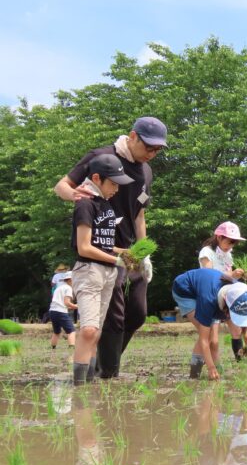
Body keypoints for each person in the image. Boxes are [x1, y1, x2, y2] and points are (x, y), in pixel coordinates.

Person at [54, 116, 168, 379]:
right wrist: (75, 196)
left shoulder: (146, 171)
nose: (152, 153)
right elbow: (62, 185)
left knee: (138, 313)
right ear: (133, 136)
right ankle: (106, 373)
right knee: (113, 316)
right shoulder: (102, 158)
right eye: (149, 147)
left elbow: (139, 214)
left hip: (129, 252)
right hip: (101, 250)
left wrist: (144, 253)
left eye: (157, 150)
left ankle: (103, 364)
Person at [70, 154, 133, 384]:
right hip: (89, 270)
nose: (116, 188)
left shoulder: (104, 203)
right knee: (88, 330)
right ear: (97, 178)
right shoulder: (85, 203)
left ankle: (89, 382)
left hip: (107, 272)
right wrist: (115, 260)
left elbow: (103, 243)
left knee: (96, 332)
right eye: (113, 183)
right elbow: (85, 247)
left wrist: (122, 252)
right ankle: (78, 386)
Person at [172, 268, 247, 380]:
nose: (230, 318)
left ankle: (218, 371)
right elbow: (204, 339)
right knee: (209, 334)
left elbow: (243, 312)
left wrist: (246, 333)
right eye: (230, 314)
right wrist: (210, 367)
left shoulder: (241, 292)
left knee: (214, 340)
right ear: (225, 302)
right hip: (185, 290)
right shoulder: (208, 300)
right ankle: (194, 376)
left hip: (206, 289)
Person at [199, 221, 246, 362]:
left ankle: (241, 363)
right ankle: (214, 366)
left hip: (226, 295)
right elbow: (209, 276)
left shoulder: (228, 254)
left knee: (237, 330)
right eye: (230, 241)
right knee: (213, 339)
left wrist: (235, 276)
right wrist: (230, 275)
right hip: (211, 297)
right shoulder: (207, 252)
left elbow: (229, 275)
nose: (231, 246)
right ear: (219, 237)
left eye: (234, 243)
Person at [49, 271, 78, 349]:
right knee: (71, 331)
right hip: (60, 312)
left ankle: (53, 347)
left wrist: (71, 307)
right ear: (70, 280)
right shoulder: (68, 288)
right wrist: (76, 306)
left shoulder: (59, 288)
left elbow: (60, 303)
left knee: (57, 331)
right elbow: (67, 303)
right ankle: (71, 346)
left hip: (52, 311)